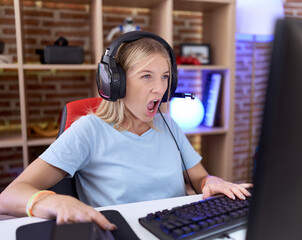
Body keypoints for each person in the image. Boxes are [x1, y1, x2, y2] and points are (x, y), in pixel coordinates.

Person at [0, 32, 252, 231]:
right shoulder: (89, 130)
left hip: (172, 228)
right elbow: (10, 195)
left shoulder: (168, 125)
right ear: (115, 82)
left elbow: (199, 179)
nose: (160, 89)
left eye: (165, 77)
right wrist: (51, 201)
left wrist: (212, 182)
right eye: (146, 76)